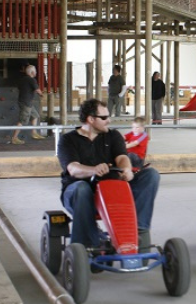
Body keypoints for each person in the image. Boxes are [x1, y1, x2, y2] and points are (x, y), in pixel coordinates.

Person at [57, 99, 160, 250]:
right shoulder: (68, 140)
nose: (109, 121)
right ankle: (86, 245)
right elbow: (73, 168)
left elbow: (122, 157)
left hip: (111, 192)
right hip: (80, 194)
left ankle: (139, 230)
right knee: (81, 188)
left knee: (151, 175)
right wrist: (94, 170)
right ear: (91, 119)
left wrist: (126, 170)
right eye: (104, 118)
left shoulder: (113, 136)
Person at [11, 64, 44, 144]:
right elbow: (37, 90)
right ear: (32, 72)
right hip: (26, 102)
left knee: (35, 115)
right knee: (22, 120)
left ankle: (34, 133)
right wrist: (42, 94)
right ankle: (14, 138)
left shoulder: (22, 79)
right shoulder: (32, 80)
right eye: (35, 71)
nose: (36, 72)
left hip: (23, 101)